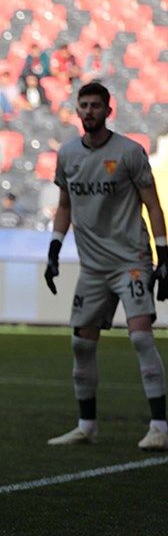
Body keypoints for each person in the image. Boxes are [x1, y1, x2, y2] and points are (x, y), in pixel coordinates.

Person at [44, 82, 167, 451]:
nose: (89, 111)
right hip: (92, 267)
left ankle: (160, 426)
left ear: (108, 111)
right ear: (77, 111)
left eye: (96, 105)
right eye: (84, 105)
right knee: (81, 344)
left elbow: (152, 203)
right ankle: (87, 425)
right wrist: (53, 249)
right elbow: (65, 205)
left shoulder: (129, 152)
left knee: (141, 336)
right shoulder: (67, 155)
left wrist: (164, 255)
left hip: (131, 260)